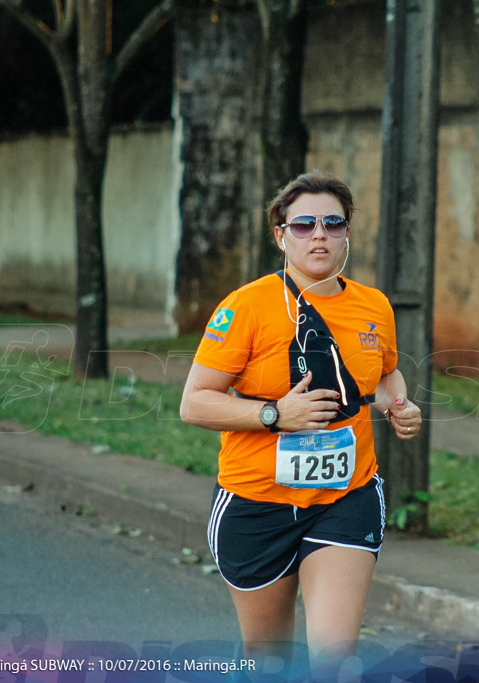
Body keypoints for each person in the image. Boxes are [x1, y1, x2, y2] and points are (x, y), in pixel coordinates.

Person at [180, 171, 422, 678]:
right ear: (280, 235)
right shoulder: (246, 306)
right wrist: (272, 415)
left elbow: (385, 372)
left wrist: (397, 403)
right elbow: (195, 403)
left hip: (344, 498)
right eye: (304, 224)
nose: (319, 235)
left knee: (335, 660)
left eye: (333, 224)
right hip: (255, 504)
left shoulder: (373, 305)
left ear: (347, 234)